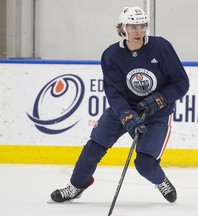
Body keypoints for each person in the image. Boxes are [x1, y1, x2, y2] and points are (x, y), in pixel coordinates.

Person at [50, 6, 189, 204]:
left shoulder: (161, 47)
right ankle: (76, 187)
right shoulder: (112, 55)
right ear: (122, 28)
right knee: (92, 149)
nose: (138, 31)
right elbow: (113, 92)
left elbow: (181, 83)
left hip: (157, 113)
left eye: (142, 26)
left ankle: (161, 180)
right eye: (133, 26)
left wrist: (158, 99)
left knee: (145, 164)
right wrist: (126, 115)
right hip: (123, 109)